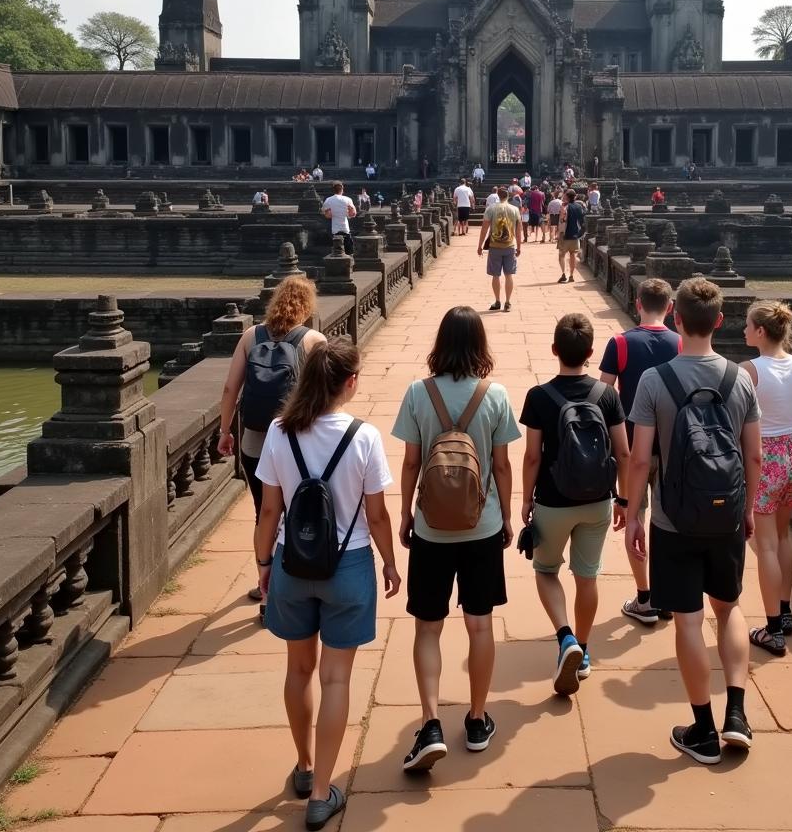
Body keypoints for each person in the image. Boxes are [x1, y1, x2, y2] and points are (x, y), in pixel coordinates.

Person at [254, 339, 400, 828]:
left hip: (292, 564)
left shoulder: (279, 431)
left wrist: (262, 563)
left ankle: (303, 763)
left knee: (298, 671)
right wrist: (390, 563)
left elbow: (269, 510)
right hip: (349, 564)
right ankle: (321, 793)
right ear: (349, 383)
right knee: (336, 677)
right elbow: (377, 516)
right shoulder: (364, 437)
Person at [624, 277, 762, 765]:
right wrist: (746, 510)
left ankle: (702, 728)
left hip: (673, 517)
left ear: (677, 320)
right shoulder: (741, 379)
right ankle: (738, 715)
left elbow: (641, 459)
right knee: (729, 608)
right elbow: (755, 456)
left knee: (687, 620)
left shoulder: (654, 381)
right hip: (727, 515)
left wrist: (633, 510)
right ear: (720, 322)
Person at [392, 307, 520, 771]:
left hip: (431, 527)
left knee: (428, 626)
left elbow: (410, 463)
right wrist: (506, 516)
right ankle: (477, 718)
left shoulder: (417, 393)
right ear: (480, 344)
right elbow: (502, 466)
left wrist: (406, 514)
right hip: (480, 526)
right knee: (479, 624)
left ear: (440, 343)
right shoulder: (496, 394)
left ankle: (429, 722)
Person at [520, 313, 630, 696]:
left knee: (546, 570)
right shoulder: (608, 395)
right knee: (588, 577)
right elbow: (625, 453)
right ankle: (582, 650)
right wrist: (624, 499)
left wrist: (525, 500)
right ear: (590, 353)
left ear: (555, 350)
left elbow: (532, 457)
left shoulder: (539, 397)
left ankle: (564, 636)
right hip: (597, 499)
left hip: (552, 500)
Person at [217, 276, 328, 615]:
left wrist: (225, 431)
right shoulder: (314, 340)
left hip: (256, 440)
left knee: (264, 512)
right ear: (307, 306)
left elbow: (229, 390)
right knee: (300, 509)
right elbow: (323, 396)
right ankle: (301, 579)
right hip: (299, 441)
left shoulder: (251, 336)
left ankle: (265, 588)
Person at [598, 278, 679, 626]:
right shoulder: (681, 344)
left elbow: (603, 396)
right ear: (671, 308)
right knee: (667, 524)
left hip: (632, 450)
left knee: (635, 520)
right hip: (674, 450)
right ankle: (668, 595)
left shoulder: (620, 343)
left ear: (637, 304)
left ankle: (645, 595)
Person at [740, 301, 792, 657]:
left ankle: (771, 629)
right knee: (785, 538)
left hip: (766, 457)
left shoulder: (750, 371)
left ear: (760, 332)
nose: (743, 331)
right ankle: (785, 611)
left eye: (747, 326)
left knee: (766, 546)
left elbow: (737, 423)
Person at [477, 186, 521, 313]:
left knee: (495, 276)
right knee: (509, 275)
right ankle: (507, 302)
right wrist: (519, 246)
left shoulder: (491, 209)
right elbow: (519, 231)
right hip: (510, 245)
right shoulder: (514, 209)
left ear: (498, 196)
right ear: (508, 196)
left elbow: (484, 229)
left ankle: (497, 301)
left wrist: (479, 246)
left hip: (495, 246)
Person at [557, 189, 586, 283]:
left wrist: (562, 212)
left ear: (567, 197)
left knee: (561, 255)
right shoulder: (579, 207)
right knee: (573, 255)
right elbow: (583, 223)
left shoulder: (565, 207)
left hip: (565, 235)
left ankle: (563, 274)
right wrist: (580, 234)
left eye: (565, 196)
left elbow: (562, 220)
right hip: (575, 235)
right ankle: (571, 275)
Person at [322, 182, 357, 255]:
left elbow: (328, 216)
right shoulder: (347, 199)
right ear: (342, 190)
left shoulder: (328, 200)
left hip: (335, 228)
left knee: (337, 251)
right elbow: (353, 214)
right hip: (345, 227)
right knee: (349, 251)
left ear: (333, 190)